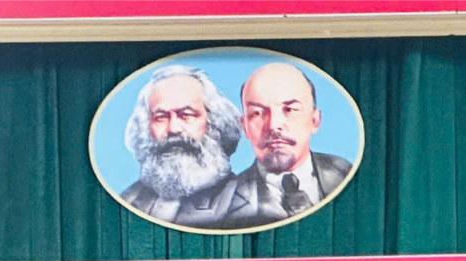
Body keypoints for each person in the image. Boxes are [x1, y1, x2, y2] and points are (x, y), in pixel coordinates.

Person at [189, 60, 357, 231]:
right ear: (245, 127)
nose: (273, 125)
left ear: (315, 120)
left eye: (289, 110)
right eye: (257, 113)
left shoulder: (346, 173)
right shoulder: (221, 205)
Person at [116, 64, 244, 227]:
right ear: (145, 127)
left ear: (214, 122)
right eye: (161, 117)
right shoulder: (129, 200)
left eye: (186, 115)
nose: (173, 128)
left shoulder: (243, 201)